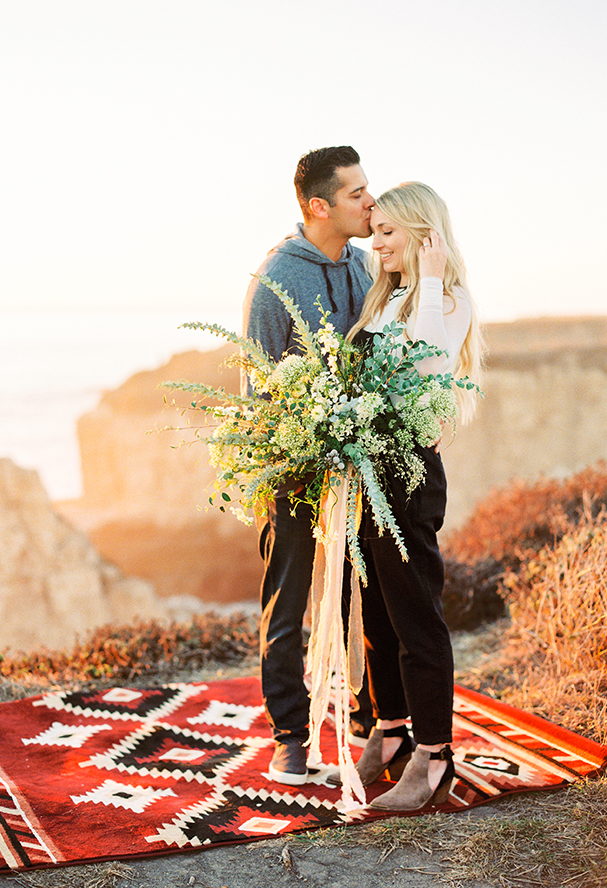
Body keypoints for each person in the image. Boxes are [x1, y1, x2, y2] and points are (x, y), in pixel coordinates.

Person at [334, 181, 483, 810]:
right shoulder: (385, 299)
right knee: (376, 612)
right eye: (376, 230)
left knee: (417, 615)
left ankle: (434, 755)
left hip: (410, 475)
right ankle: (389, 731)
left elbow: (424, 371)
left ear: (424, 234)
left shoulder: (447, 300)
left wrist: (430, 271)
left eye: (390, 231)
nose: (377, 240)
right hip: (370, 468)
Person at [242, 146, 376, 785]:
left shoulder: (367, 264)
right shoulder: (273, 280)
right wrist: (301, 448)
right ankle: (290, 736)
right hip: (293, 467)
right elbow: (257, 391)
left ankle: (367, 718)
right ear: (317, 206)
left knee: (364, 590)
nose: (369, 202)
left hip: (362, 458)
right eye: (356, 193)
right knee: (288, 599)